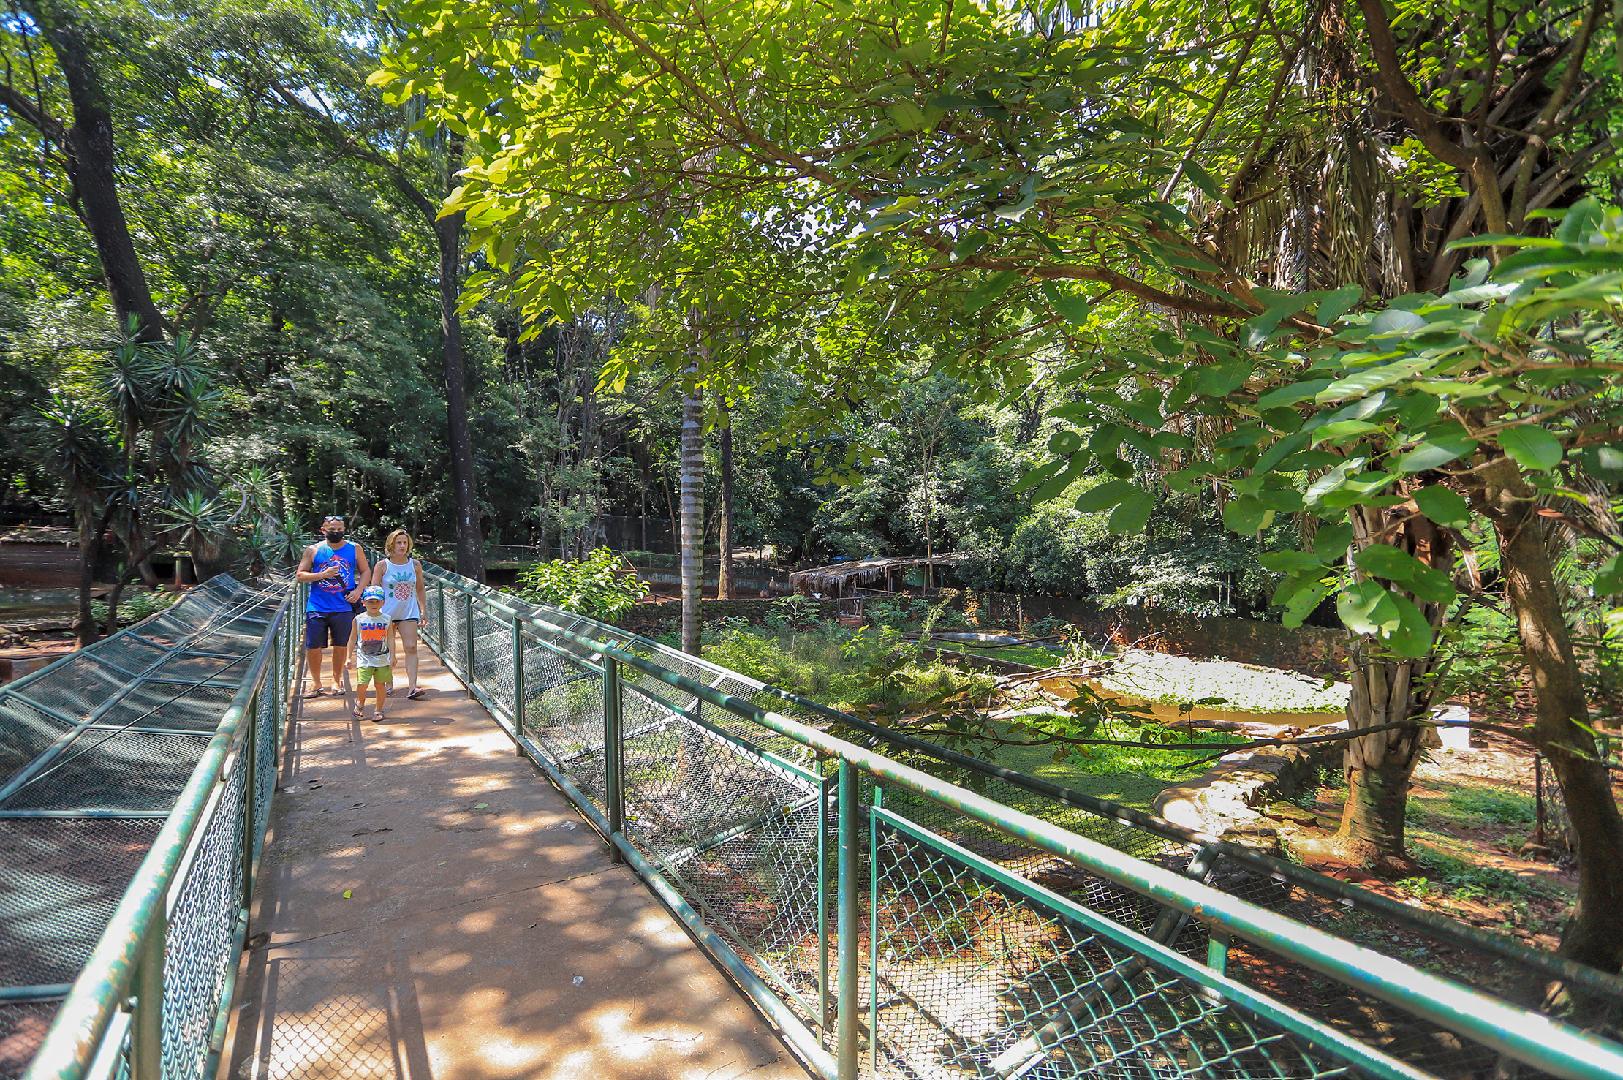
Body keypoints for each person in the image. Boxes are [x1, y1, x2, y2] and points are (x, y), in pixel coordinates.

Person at [295, 515, 369, 697]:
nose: (336, 532)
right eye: (332, 529)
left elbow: (365, 570)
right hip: (317, 605)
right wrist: (322, 574)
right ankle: (316, 683)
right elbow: (300, 575)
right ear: (323, 530)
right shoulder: (313, 550)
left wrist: (359, 591)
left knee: (341, 644)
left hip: (343, 605)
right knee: (313, 646)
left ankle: (336, 681)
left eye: (340, 529)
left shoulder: (354, 549)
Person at [371, 528, 428, 699]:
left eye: (405, 542)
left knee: (411, 647)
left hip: (408, 611)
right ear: (391, 544)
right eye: (399, 543)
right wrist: (373, 613)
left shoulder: (415, 565)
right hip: (386, 613)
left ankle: (412, 687)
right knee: (387, 650)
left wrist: (423, 610)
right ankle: (388, 682)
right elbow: (374, 590)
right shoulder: (382, 566)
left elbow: (419, 588)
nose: (402, 546)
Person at [353, 585, 392, 721]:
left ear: (383, 602)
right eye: (370, 601)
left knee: (380, 685)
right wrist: (347, 657)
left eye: (377, 601)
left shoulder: (387, 619)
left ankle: (378, 710)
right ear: (363, 602)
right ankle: (360, 704)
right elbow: (352, 639)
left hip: (381, 658)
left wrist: (393, 655)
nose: (374, 604)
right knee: (362, 684)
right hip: (364, 658)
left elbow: (391, 638)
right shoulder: (359, 619)